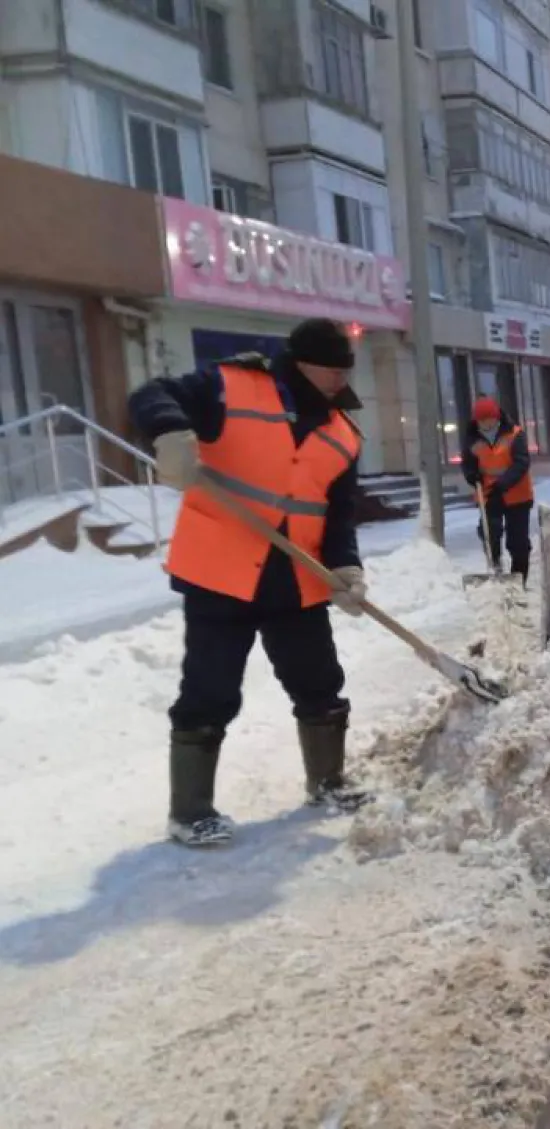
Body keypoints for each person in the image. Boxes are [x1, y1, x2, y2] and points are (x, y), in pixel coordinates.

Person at [129, 318, 371, 848]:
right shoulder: (231, 385)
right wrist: (170, 432)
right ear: (303, 363)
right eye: (331, 370)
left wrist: (346, 568)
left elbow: (337, 516)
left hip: (297, 580)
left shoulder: (342, 433)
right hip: (221, 574)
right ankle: (190, 812)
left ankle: (327, 783)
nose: (338, 381)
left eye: (343, 371)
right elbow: (152, 393)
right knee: (209, 691)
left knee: (320, 684)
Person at [461, 397, 534, 585]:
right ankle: (495, 567)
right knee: (490, 533)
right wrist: (471, 475)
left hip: (517, 495)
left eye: (489, 419)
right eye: (482, 420)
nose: (486, 423)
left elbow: (521, 463)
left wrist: (502, 484)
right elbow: (468, 463)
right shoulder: (472, 439)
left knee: (517, 542)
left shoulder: (515, 434)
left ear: (497, 417)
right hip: (489, 496)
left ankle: (519, 580)